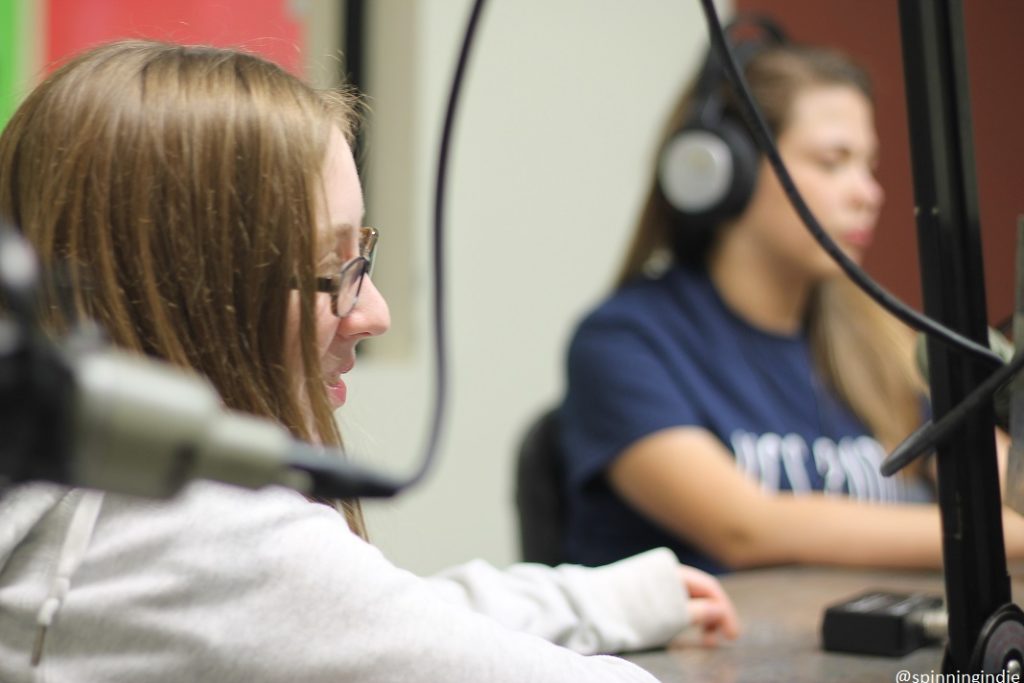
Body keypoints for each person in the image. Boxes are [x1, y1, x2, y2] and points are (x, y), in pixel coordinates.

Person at [0, 40, 738, 681]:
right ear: (182, 288)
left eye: (364, 255)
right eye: (331, 264)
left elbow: (367, 620)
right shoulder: (206, 535)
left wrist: (598, 600)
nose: (374, 313)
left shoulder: (95, 514)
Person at [557, 29, 1024, 575]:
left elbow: (1004, 490)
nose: (869, 194)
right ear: (724, 174)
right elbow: (744, 529)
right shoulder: (624, 342)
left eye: (868, 165)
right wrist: (1001, 534)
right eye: (833, 162)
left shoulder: (879, 342)